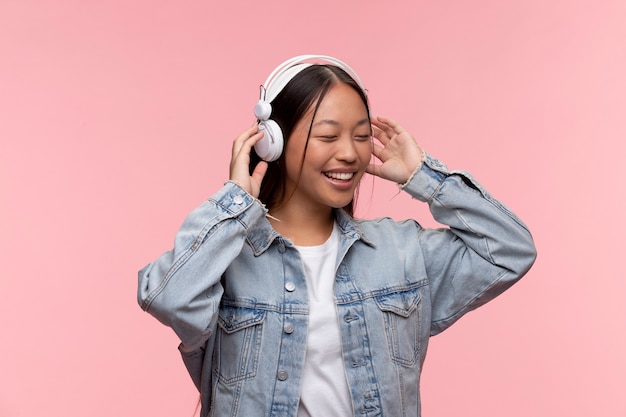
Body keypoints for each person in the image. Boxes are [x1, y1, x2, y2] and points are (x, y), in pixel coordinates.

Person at [137, 55, 536, 417]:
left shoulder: (399, 253)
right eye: (328, 136)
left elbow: (509, 249)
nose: (349, 153)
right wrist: (234, 204)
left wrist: (424, 177)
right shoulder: (226, 260)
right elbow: (169, 298)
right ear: (272, 143)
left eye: (361, 137)